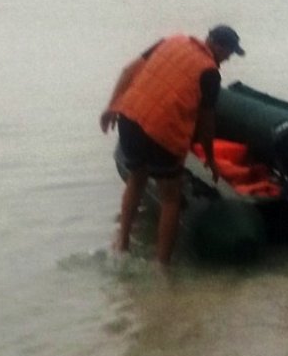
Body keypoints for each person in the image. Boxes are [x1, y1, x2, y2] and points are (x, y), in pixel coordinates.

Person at [99, 25, 245, 264]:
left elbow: (128, 70)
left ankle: (122, 246)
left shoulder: (170, 41)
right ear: (219, 46)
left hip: (131, 120)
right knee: (170, 198)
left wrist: (112, 107)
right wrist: (210, 158)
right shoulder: (210, 73)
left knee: (137, 179)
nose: (228, 59)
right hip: (162, 133)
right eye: (229, 53)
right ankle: (162, 266)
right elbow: (206, 122)